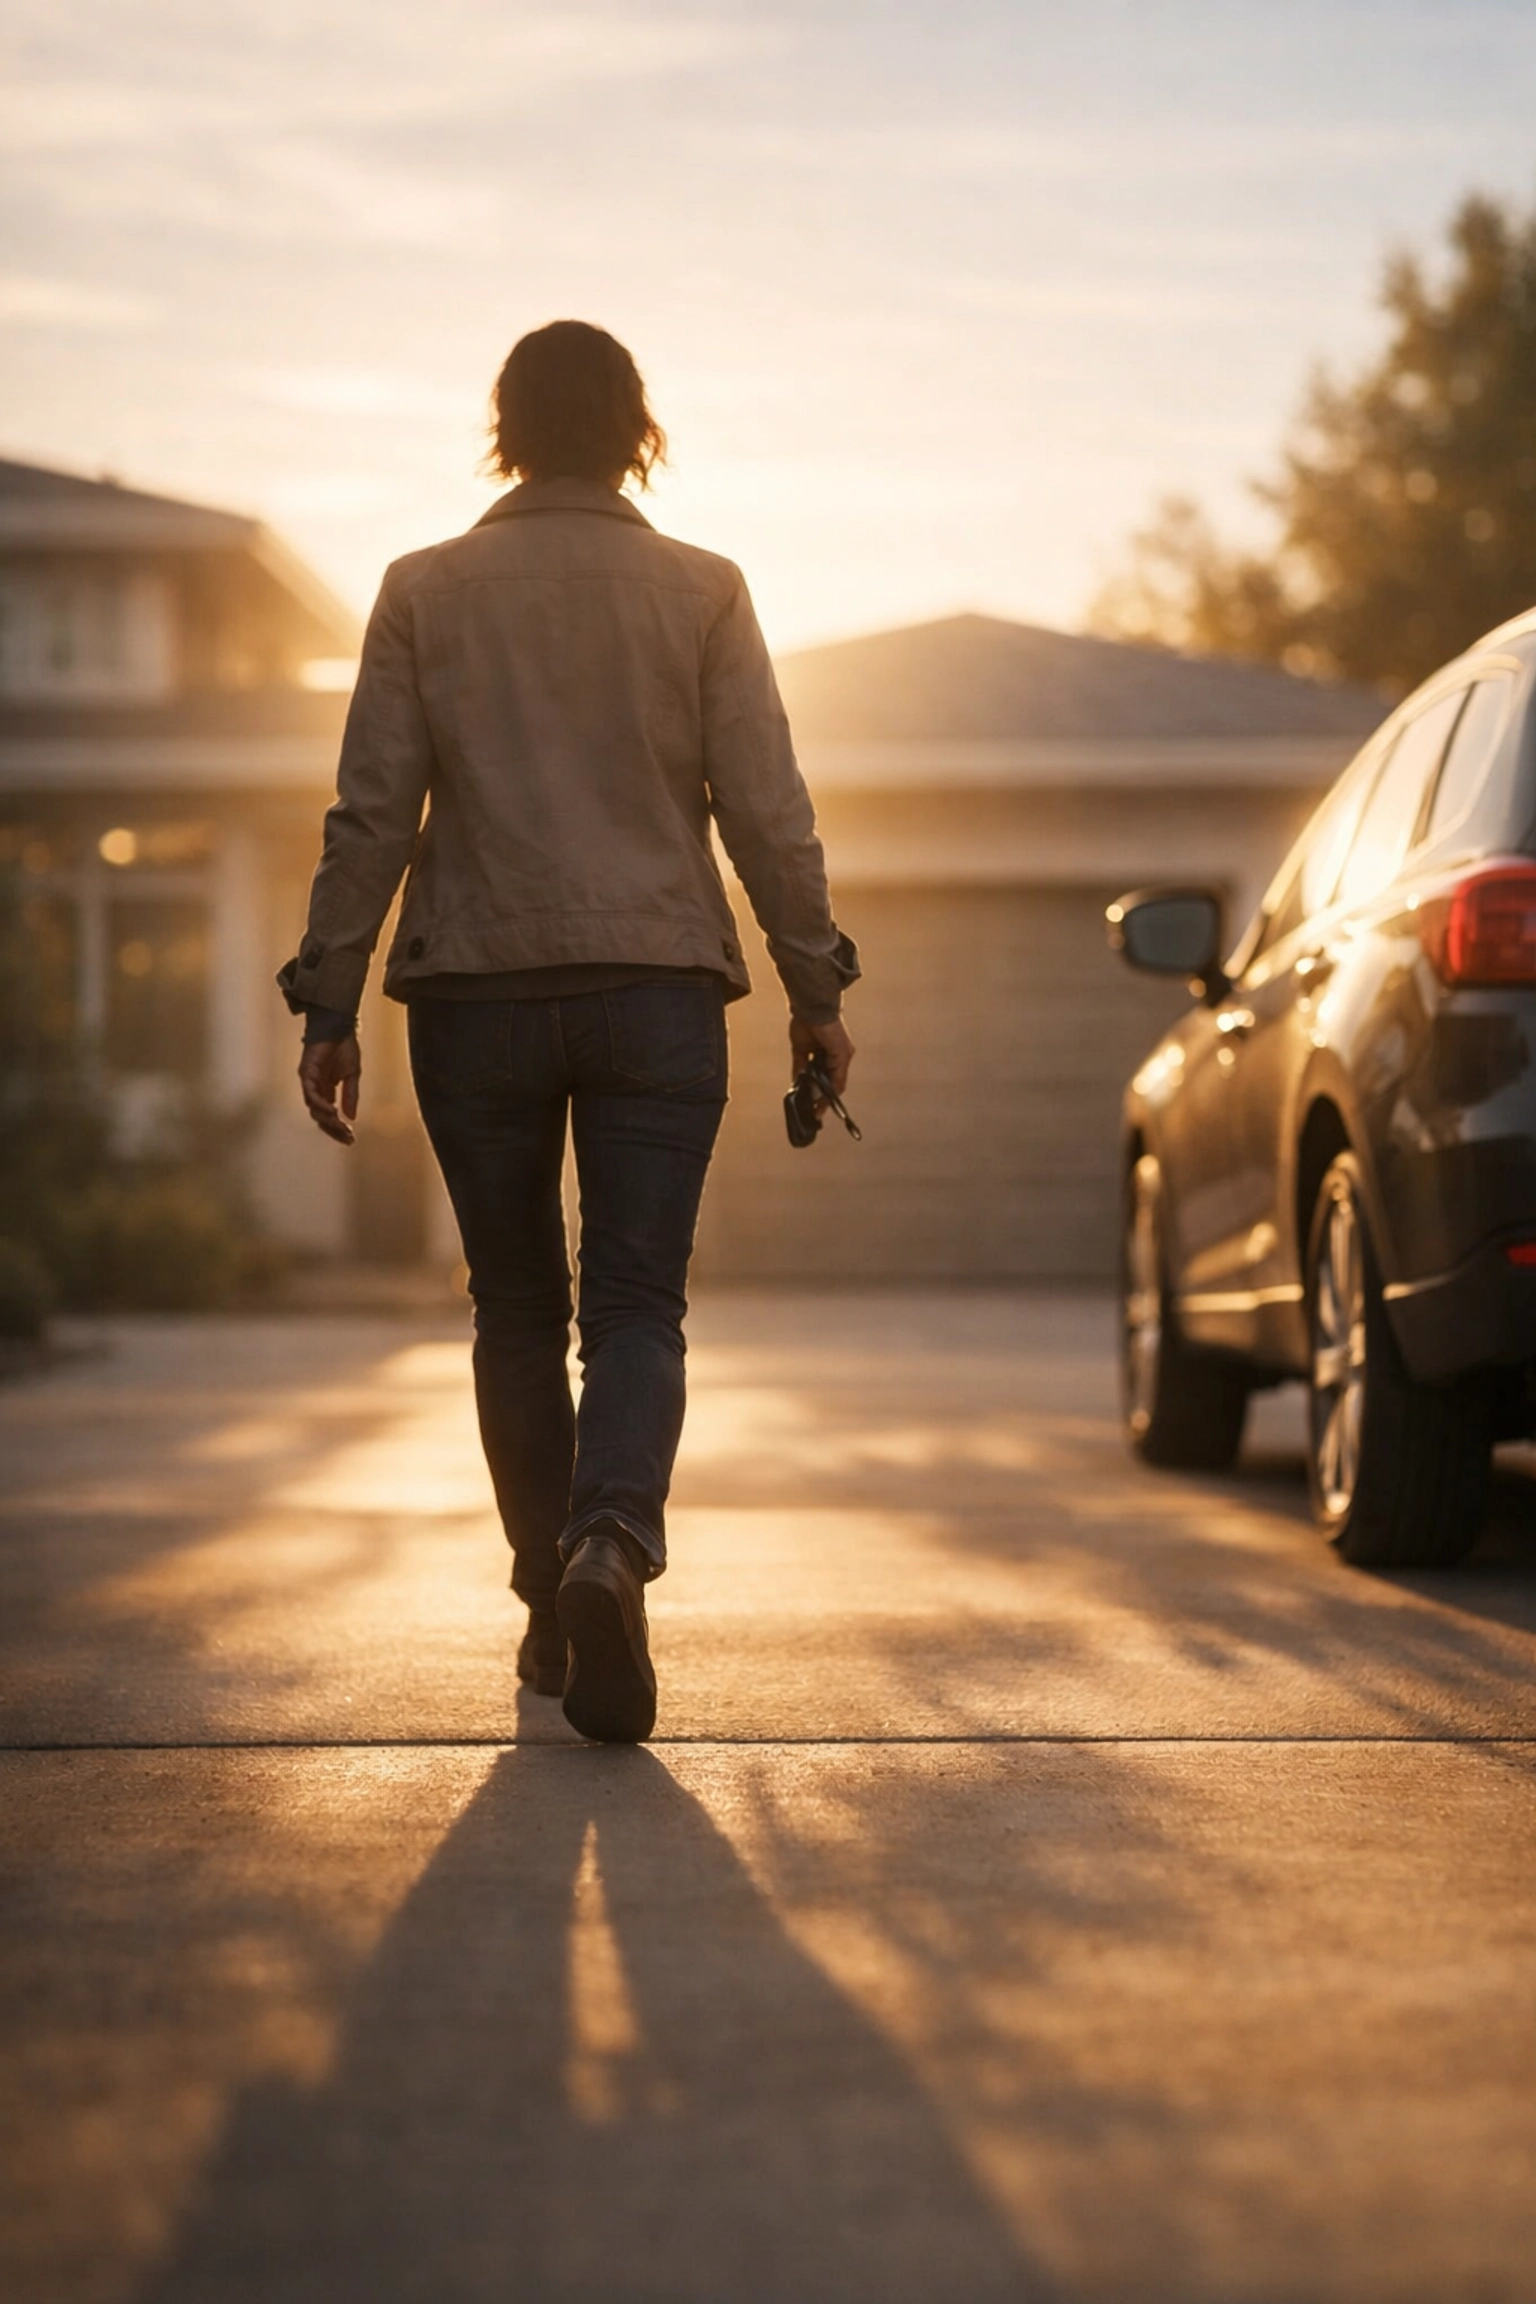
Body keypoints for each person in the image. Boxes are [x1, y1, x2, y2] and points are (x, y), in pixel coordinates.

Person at [279, 319, 858, 1744]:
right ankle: (612, 1546)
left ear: (507, 431)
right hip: (658, 987)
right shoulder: (705, 591)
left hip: (474, 997)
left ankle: (551, 1596)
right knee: (638, 1305)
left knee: (518, 1314)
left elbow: (373, 811)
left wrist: (332, 996)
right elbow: (766, 809)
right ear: (636, 428)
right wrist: (817, 987)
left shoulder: (424, 590)